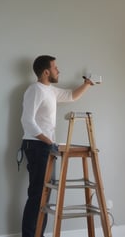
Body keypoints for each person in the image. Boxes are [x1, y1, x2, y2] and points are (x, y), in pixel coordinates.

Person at [20, 55, 94, 237]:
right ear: (46, 72)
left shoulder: (50, 91)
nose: (58, 70)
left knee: (44, 196)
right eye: (55, 68)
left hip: (45, 146)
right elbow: (27, 121)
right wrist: (48, 141)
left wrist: (87, 84)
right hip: (37, 145)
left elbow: (70, 95)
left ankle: (38, 234)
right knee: (38, 196)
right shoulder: (35, 90)